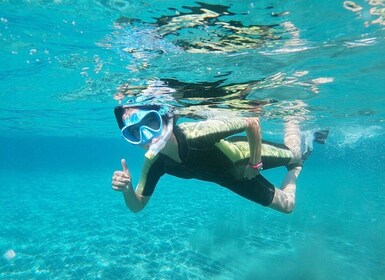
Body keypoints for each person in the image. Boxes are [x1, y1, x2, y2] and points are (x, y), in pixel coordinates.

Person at [111, 103, 323, 214]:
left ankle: (294, 116)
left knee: (293, 152)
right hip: (229, 179)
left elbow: (251, 121)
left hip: (245, 156)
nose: (147, 136)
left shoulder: (196, 134)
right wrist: (128, 190)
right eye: (134, 132)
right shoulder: (154, 161)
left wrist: (255, 163)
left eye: (151, 121)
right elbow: (137, 206)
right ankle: (297, 167)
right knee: (288, 207)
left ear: (164, 117)